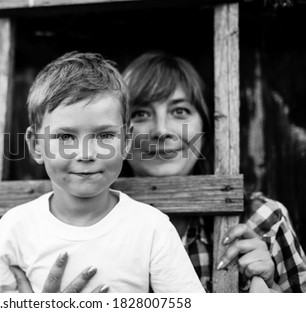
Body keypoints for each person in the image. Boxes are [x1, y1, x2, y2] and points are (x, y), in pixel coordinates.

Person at [0, 52, 204, 293]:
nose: (85, 153)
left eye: (104, 136)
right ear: (36, 145)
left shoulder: (152, 229)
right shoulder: (14, 230)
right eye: (65, 137)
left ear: (127, 141)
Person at [122, 51, 306, 292]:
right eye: (140, 114)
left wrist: (272, 294)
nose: (161, 130)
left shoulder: (262, 221)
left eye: (179, 111)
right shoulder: (82, 224)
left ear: (206, 128)